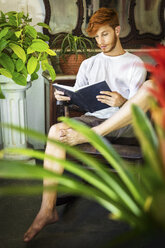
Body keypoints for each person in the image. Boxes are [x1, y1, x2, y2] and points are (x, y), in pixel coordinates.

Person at [24, 8, 152, 242]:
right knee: (55, 131)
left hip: (122, 124)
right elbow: (77, 95)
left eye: (104, 34)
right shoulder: (89, 64)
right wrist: (65, 97)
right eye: (96, 37)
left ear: (117, 30)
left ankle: (90, 136)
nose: (100, 42)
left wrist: (122, 100)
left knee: (146, 93)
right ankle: (47, 209)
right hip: (92, 119)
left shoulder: (134, 63)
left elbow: (137, 107)